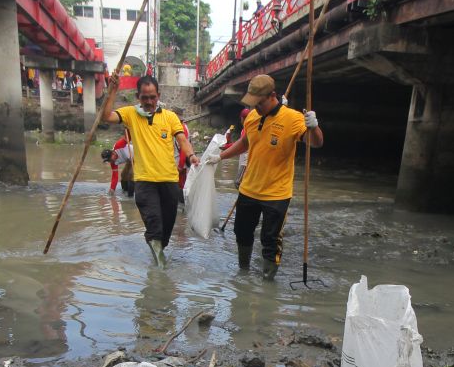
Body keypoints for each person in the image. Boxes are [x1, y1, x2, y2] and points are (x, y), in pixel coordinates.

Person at [212, 74, 323, 279]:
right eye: (253, 102)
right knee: (242, 233)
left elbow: (315, 143)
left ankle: (267, 281)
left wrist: (313, 126)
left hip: (276, 194)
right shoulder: (253, 117)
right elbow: (246, 143)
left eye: (259, 102)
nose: (256, 107)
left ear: (273, 95)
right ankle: (243, 273)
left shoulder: (293, 119)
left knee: (270, 240)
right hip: (249, 189)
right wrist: (219, 157)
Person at [100, 74, 199, 267]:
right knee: (154, 225)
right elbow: (107, 116)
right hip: (145, 181)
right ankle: (161, 269)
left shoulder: (170, 117)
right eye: (144, 98)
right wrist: (112, 91)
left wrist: (191, 156)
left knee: (167, 228)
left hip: (169, 180)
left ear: (158, 95)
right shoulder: (131, 114)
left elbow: (182, 140)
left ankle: (158, 255)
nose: (149, 102)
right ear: (138, 97)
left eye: (152, 97)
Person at [102, 131, 135, 196]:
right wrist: (112, 190)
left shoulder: (118, 145)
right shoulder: (113, 162)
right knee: (123, 175)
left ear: (113, 153)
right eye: (108, 161)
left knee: (131, 175)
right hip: (129, 160)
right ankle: (125, 192)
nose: (110, 162)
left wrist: (128, 127)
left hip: (137, 156)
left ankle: (130, 197)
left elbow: (128, 136)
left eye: (110, 159)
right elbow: (115, 177)